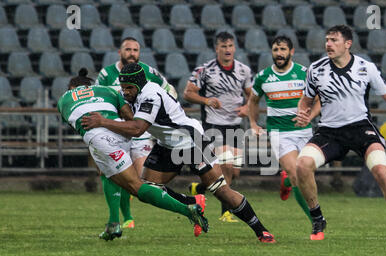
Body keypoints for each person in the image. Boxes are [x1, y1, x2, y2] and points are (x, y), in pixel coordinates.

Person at [82, 63, 276, 243]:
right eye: (123, 88)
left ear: (139, 84)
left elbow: (138, 129)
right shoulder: (132, 93)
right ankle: (193, 202)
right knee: (148, 188)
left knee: (220, 190)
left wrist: (103, 122)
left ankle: (261, 230)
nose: (125, 92)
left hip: (190, 140)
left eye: (129, 88)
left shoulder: (151, 95)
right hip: (167, 143)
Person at [294, 25, 386, 242]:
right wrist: (303, 113)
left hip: (361, 128)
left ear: (348, 44)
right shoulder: (315, 70)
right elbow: (306, 100)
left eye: (334, 40)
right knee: (301, 165)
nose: (328, 44)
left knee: (382, 173)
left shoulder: (366, 68)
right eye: (327, 39)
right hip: (330, 131)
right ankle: (317, 217)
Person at [58, 69, 207, 241]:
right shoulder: (107, 91)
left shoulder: (64, 99)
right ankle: (113, 223)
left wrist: (101, 125)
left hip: (101, 137)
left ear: (71, 87)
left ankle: (189, 207)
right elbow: (129, 116)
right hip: (123, 132)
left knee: (137, 186)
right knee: (111, 175)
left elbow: (77, 126)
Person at [95, 37, 177, 230]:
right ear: (120, 52)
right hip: (115, 131)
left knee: (142, 180)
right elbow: (98, 96)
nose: (132, 53)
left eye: (135, 50)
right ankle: (123, 218)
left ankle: (189, 201)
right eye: (128, 49)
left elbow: (170, 91)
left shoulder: (148, 72)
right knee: (115, 174)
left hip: (140, 131)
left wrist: (159, 117)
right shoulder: (107, 74)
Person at [248, 35, 321, 227]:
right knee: (297, 174)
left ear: (292, 52)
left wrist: (310, 116)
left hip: (304, 130)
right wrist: (253, 123)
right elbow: (253, 101)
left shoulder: (305, 73)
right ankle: (315, 221)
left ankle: (286, 182)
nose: (279, 54)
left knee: (306, 174)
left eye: (283, 50)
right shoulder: (263, 77)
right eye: (275, 50)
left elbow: (320, 98)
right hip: (279, 132)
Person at [182, 31, 253, 223]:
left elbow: (252, 95)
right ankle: (226, 212)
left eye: (230, 46)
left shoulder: (243, 70)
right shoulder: (204, 70)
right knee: (226, 165)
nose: (227, 49)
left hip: (235, 125)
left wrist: (247, 107)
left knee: (234, 172)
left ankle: (200, 188)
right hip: (213, 124)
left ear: (234, 48)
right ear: (217, 49)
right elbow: (188, 93)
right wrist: (206, 100)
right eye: (223, 46)